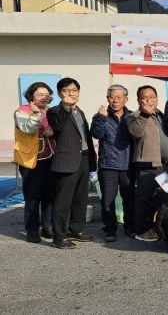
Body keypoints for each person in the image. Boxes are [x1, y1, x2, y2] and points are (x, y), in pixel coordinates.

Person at [46, 77, 97, 249]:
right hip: (66, 161)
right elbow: (58, 127)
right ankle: (59, 237)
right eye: (67, 90)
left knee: (80, 199)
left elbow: (85, 137)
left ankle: (75, 230)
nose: (71, 93)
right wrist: (66, 107)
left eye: (74, 90)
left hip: (84, 159)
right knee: (63, 201)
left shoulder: (79, 111)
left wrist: (92, 161)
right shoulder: (54, 111)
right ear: (60, 93)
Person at [127, 85, 168, 242]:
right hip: (147, 164)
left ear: (157, 99)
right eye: (144, 97)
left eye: (152, 97)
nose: (148, 100)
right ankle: (141, 230)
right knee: (143, 199)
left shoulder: (161, 115)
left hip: (164, 165)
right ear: (138, 100)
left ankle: (154, 226)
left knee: (162, 196)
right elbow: (136, 132)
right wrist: (145, 114)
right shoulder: (134, 116)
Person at [90, 84, 134, 242]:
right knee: (108, 200)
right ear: (107, 98)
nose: (115, 100)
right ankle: (110, 229)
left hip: (128, 164)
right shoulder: (100, 116)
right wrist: (101, 119)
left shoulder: (132, 116)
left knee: (129, 199)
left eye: (119, 97)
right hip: (108, 164)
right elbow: (96, 134)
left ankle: (130, 227)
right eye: (112, 97)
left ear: (126, 99)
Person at [13, 81, 56, 243]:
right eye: (40, 94)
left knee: (49, 195)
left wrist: (53, 132)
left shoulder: (50, 111)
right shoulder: (21, 111)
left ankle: (46, 226)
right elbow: (28, 128)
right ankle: (32, 230)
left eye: (47, 95)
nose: (44, 97)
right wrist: (36, 114)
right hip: (31, 160)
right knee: (33, 197)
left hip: (51, 157)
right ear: (31, 96)